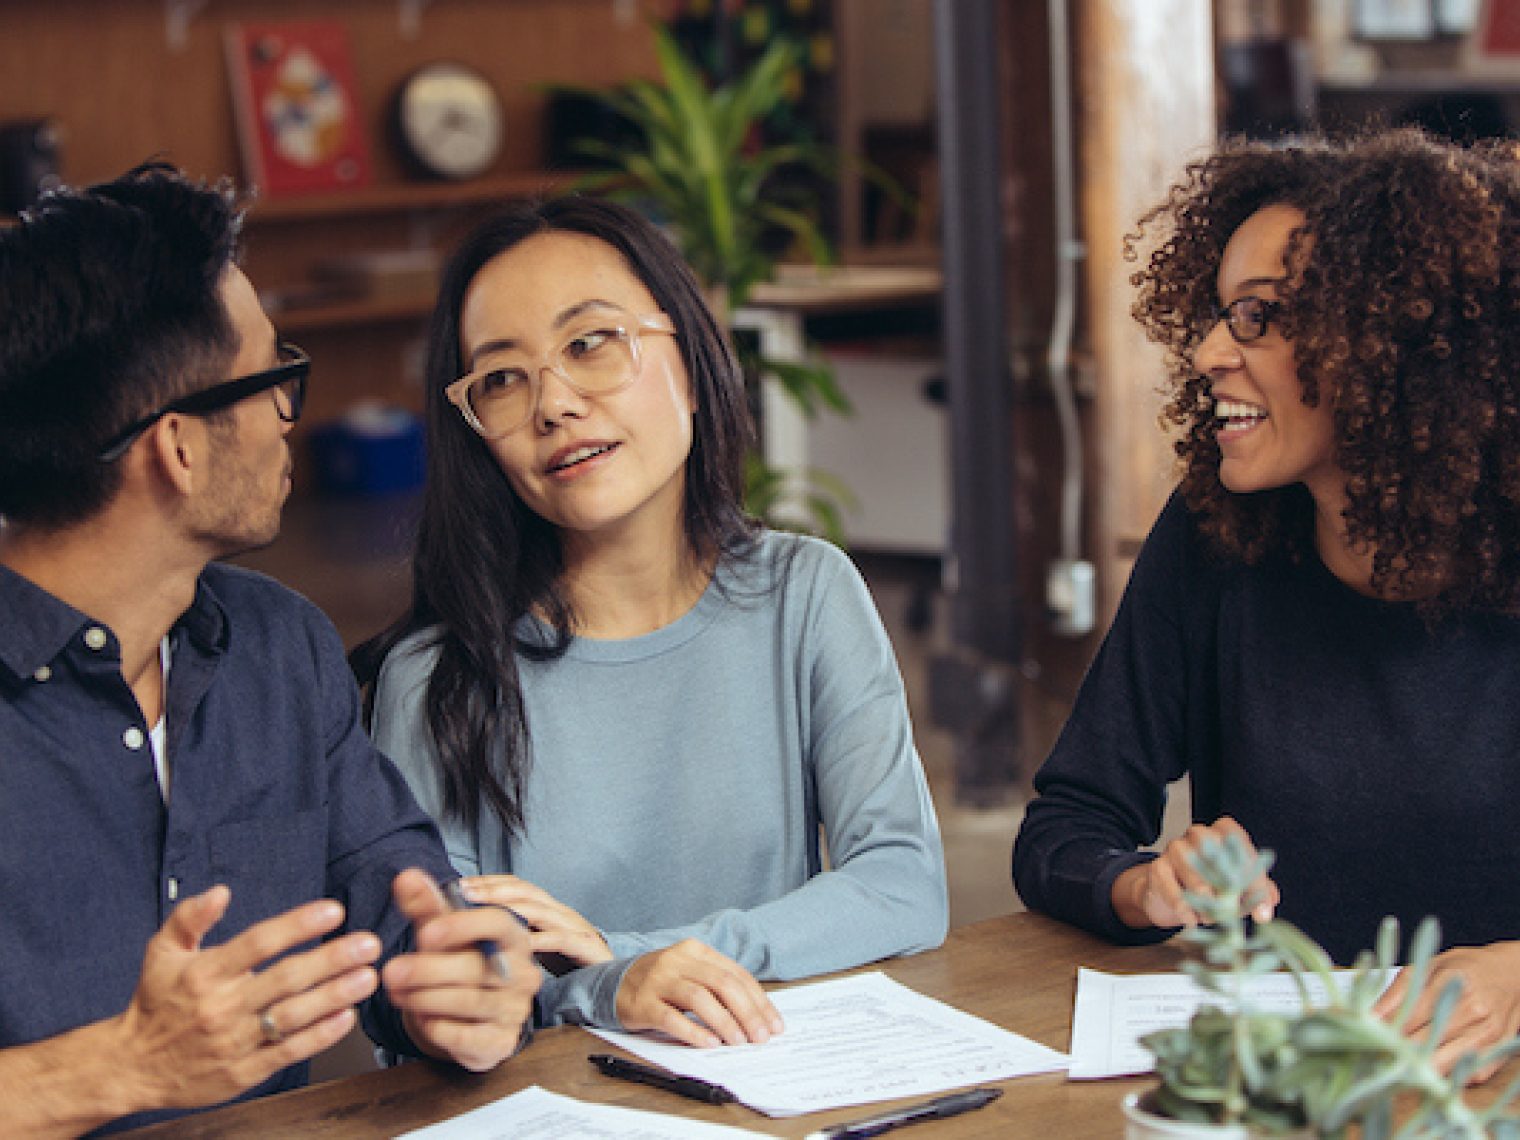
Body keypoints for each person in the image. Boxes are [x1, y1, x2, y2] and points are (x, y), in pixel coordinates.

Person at [0, 163, 539, 1136]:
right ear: (179, 447)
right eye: (275, 380)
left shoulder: (277, 645)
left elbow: (401, 904)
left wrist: (458, 985)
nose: (294, 417)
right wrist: (116, 1068)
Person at [351, 195, 948, 1046]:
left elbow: (902, 886)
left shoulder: (807, 596)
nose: (552, 403)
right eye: (502, 378)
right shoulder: (437, 675)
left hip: (770, 1087)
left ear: (695, 365)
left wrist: (634, 959)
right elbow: (444, 990)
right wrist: (605, 990)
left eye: (590, 343)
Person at [1012, 128, 1520, 1073]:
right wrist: (1147, 886)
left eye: (1258, 317)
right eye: (1215, 314)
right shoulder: (1215, 537)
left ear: (1393, 341)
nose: (1207, 351)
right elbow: (1065, 827)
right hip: (1288, 1092)